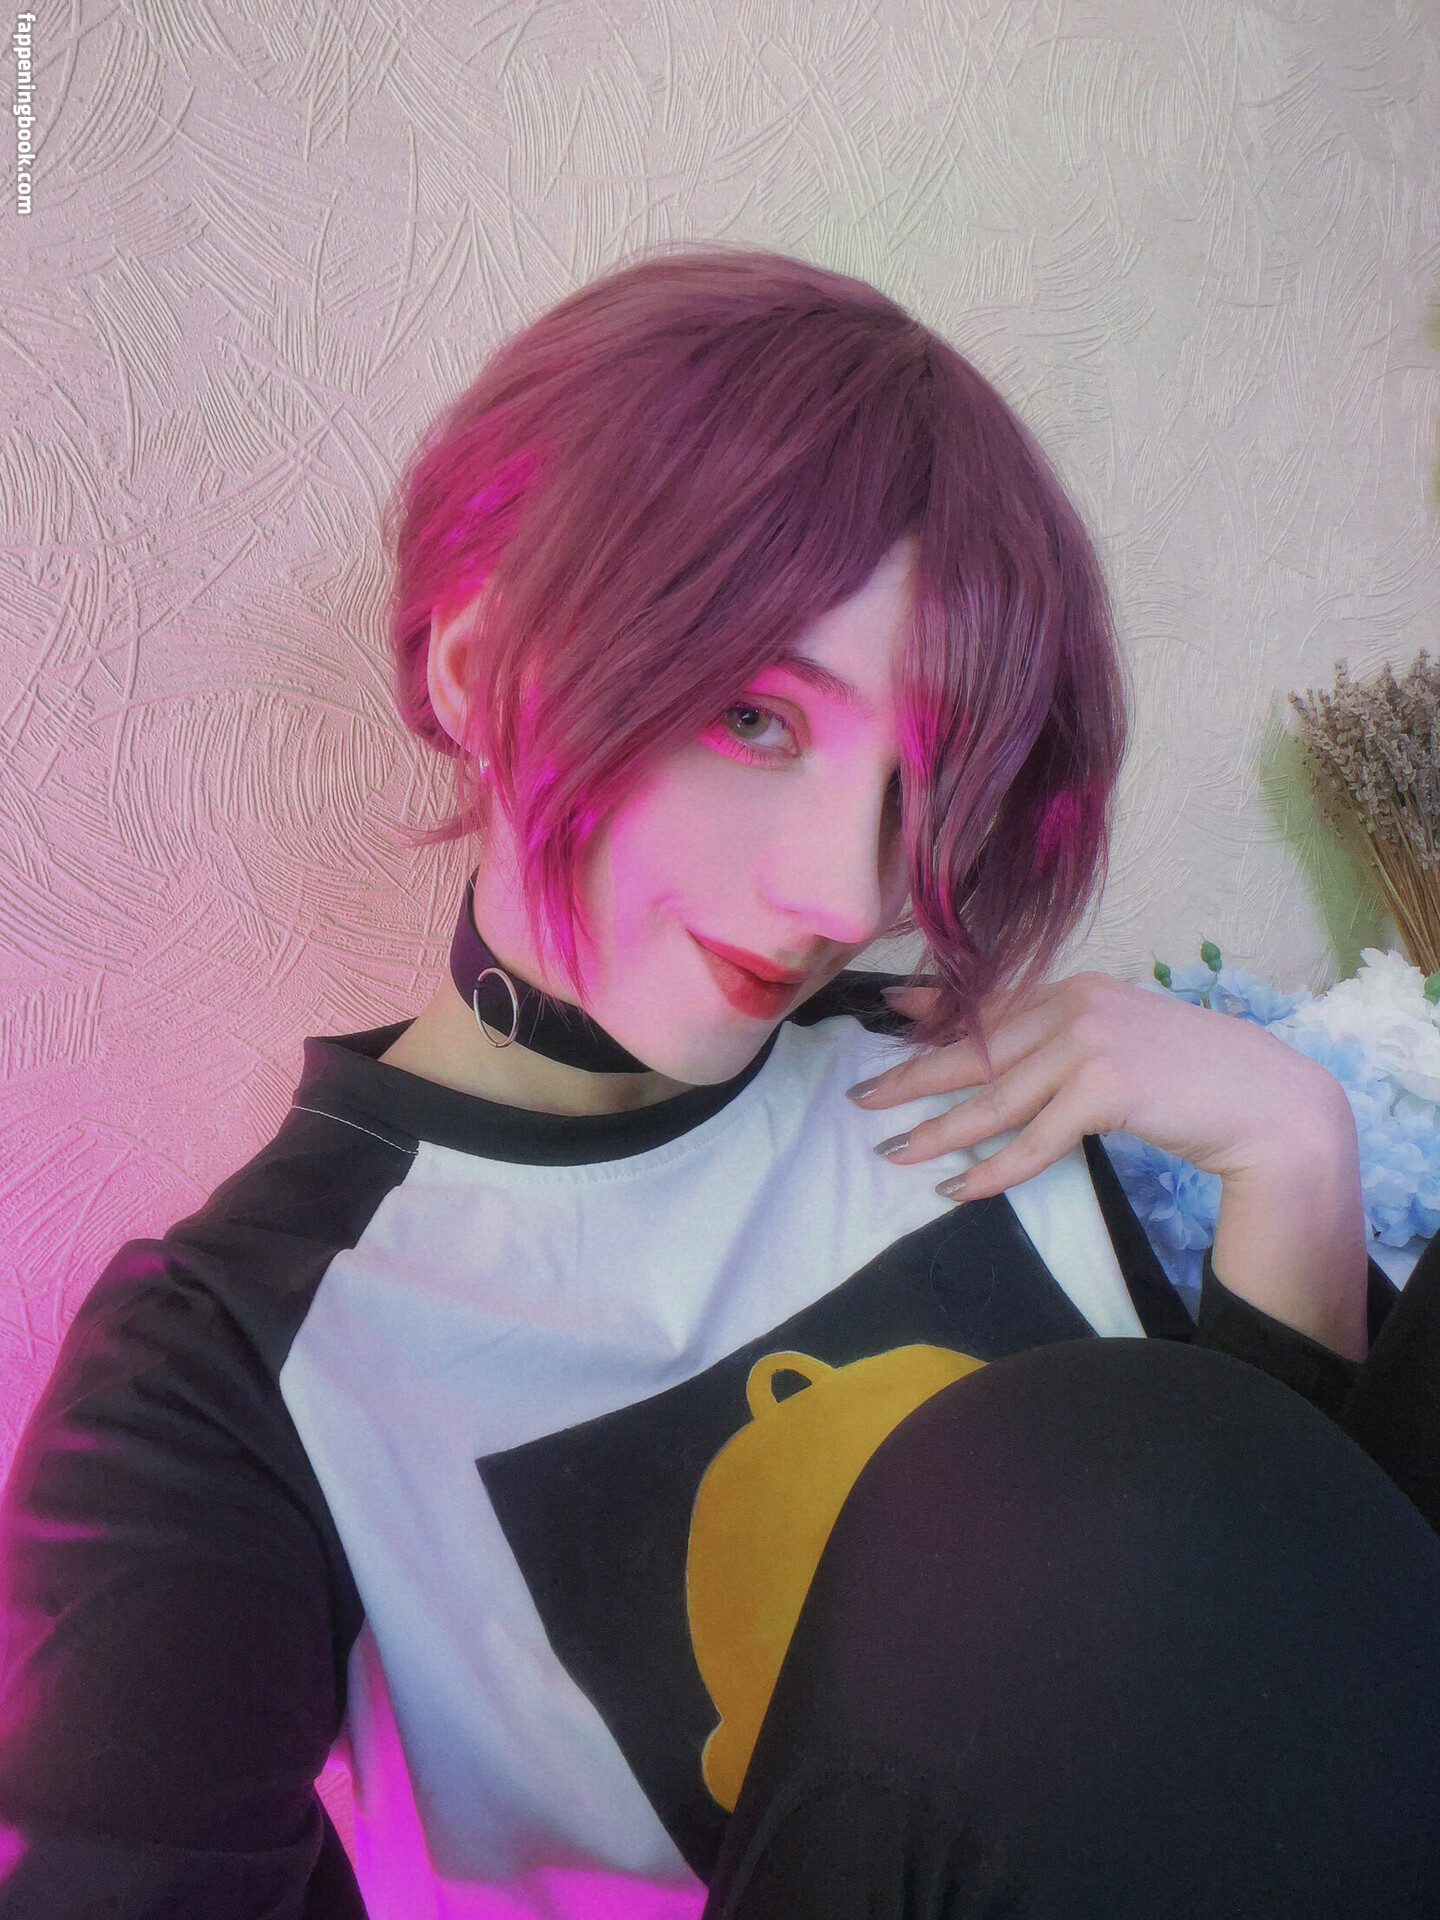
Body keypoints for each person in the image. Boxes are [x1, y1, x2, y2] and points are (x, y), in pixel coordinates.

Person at [0, 245, 1437, 1920]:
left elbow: (1293, 1634)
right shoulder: (225, 1368)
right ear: (475, 673)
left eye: (925, 779)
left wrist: (1293, 1139)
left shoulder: (965, 1069)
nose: (847, 891)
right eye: (754, 717)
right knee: (1067, 1482)